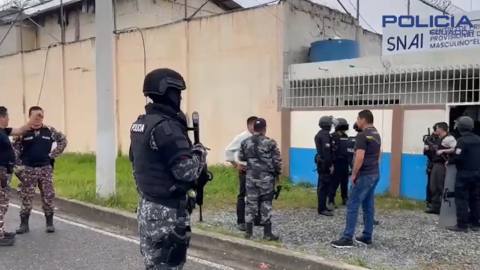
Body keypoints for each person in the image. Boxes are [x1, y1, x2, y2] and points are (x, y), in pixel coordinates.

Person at [129, 68, 208, 269]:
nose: (179, 98)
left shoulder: (141, 124)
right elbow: (186, 171)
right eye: (177, 93)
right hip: (167, 212)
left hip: (148, 205)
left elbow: (136, 161)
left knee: (154, 265)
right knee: (168, 265)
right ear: (168, 93)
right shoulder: (167, 128)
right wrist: (199, 152)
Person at [13, 106, 68, 234]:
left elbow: (63, 140)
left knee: (48, 195)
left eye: (41, 116)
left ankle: (49, 223)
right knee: (26, 196)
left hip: (45, 168)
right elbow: (14, 149)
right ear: (29, 117)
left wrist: (53, 155)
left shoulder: (49, 130)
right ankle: (24, 224)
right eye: (35, 116)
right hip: (28, 169)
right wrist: (19, 165)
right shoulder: (23, 132)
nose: (38, 119)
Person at [331, 110, 381, 248]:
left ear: (363, 120)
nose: (357, 121)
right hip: (374, 173)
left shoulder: (362, 135)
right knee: (368, 205)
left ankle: (347, 238)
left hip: (364, 175)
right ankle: (367, 236)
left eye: (358, 119)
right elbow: (379, 155)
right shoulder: (376, 134)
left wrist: (353, 174)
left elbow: (359, 157)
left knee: (352, 204)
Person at [0, 106, 40, 246]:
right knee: (1, 204)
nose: (9, 119)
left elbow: (21, 130)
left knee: (3, 202)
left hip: (6, 171)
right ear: (2, 117)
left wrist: (32, 119)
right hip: (1, 172)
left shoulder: (4, 131)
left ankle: (1, 231)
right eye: (7, 116)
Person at [238, 118, 282, 241]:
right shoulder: (270, 142)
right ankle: (267, 233)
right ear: (264, 128)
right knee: (266, 203)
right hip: (266, 177)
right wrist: (278, 174)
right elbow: (277, 161)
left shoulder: (245, 142)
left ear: (254, 128)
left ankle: (249, 232)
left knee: (250, 203)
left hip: (251, 176)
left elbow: (242, 157)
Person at [224, 116, 262, 231]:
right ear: (249, 126)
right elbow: (228, 150)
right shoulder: (242, 137)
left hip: (257, 170)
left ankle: (256, 219)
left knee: (257, 194)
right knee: (243, 195)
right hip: (246, 170)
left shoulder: (259, 137)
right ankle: (241, 221)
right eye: (254, 125)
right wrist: (236, 165)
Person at [445, 116, 480, 232]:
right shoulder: (478, 139)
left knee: (461, 199)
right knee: (475, 198)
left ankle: (462, 225)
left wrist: (449, 161)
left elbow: (458, 157)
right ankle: (475, 224)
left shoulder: (461, 141)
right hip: (477, 173)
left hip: (464, 174)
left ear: (460, 127)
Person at [425, 122, 456, 214]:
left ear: (441, 129)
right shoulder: (437, 139)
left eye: (437, 128)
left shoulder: (449, 138)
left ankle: (446, 208)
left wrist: (443, 150)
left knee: (441, 186)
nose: (436, 130)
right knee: (433, 186)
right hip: (435, 164)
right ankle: (435, 207)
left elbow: (455, 148)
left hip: (443, 164)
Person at [328, 118, 353, 208]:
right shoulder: (332, 136)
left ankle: (344, 198)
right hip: (336, 163)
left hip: (345, 163)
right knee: (334, 182)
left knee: (344, 181)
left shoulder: (346, 136)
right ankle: (331, 200)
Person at [315, 116, 335, 216]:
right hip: (325, 164)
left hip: (321, 163)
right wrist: (330, 165)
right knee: (324, 187)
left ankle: (323, 207)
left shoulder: (320, 134)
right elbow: (326, 152)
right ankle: (322, 208)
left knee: (323, 186)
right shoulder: (325, 135)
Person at [423, 124, 438, 210]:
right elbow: (425, 152)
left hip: (439, 163)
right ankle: (429, 202)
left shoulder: (442, 138)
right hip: (432, 163)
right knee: (431, 184)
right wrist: (429, 149)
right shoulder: (430, 139)